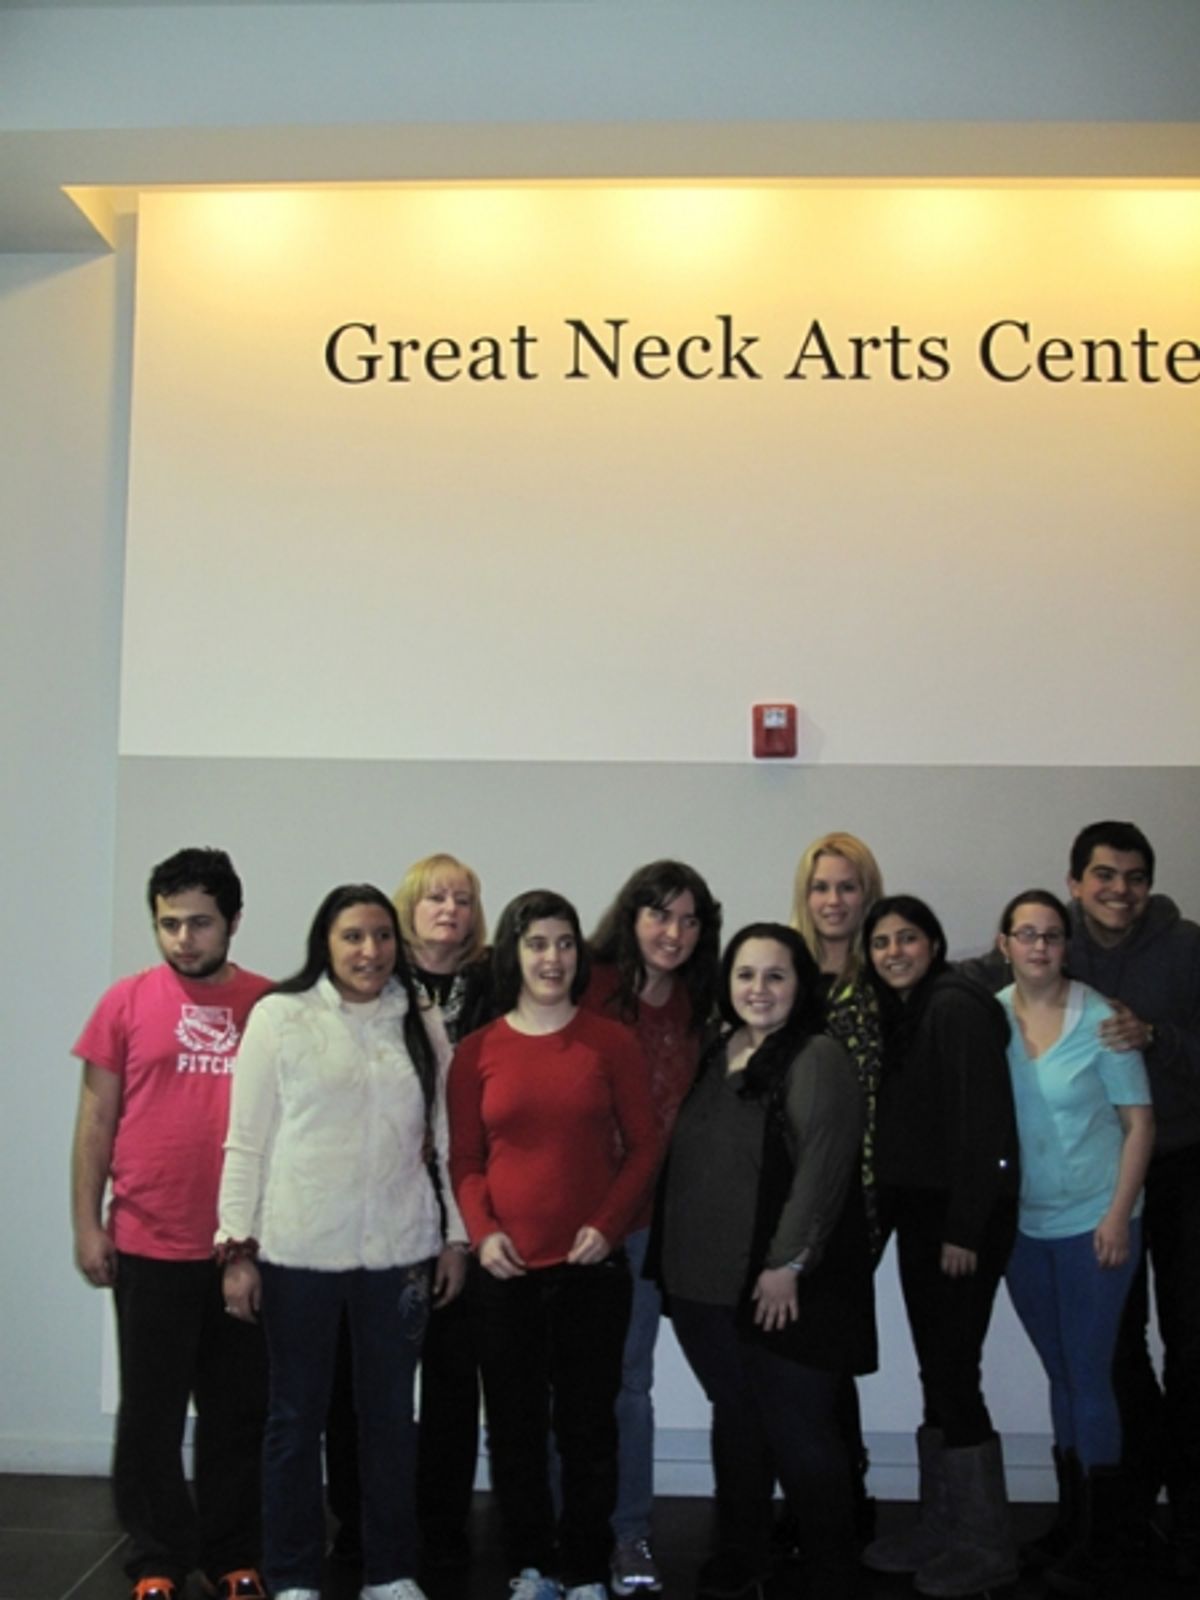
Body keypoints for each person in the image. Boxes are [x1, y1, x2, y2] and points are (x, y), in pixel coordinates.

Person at [218, 884, 467, 1600]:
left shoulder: (419, 1019)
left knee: (390, 1419)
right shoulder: (282, 1017)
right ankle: (293, 1574)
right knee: (295, 1419)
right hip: (299, 1254)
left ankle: (390, 1572)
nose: (370, 951)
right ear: (325, 942)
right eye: (354, 936)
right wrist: (236, 1249)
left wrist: (454, 1236)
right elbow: (246, 1142)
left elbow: (446, 1140)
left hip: (399, 1253)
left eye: (383, 936)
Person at [70, 847, 272, 1600]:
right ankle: (155, 1555)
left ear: (233, 921)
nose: (183, 938)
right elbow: (95, 1119)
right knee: (149, 1415)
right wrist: (86, 1225)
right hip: (146, 1240)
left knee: (237, 1412)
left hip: (242, 1248)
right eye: (168, 924)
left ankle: (233, 1554)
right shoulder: (123, 1003)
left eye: (199, 923)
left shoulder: (271, 1004)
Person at [448, 889, 661, 1600]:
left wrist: (607, 1224)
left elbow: (644, 1148)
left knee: (588, 1430)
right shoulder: (477, 1050)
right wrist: (482, 1234)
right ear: (514, 952)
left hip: (590, 1271)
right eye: (537, 943)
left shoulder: (611, 1042)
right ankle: (531, 1566)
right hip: (504, 1273)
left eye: (565, 942)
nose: (552, 957)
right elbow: (465, 1160)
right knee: (513, 1432)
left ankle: (583, 1569)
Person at [656, 922, 875, 1600]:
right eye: (746, 974)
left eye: (775, 976)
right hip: (703, 1289)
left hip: (784, 1286)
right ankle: (740, 1555)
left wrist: (788, 1265)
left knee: (802, 1434)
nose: (759, 989)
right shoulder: (717, 1050)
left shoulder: (815, 1056)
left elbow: (824, 1170)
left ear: (799, 985)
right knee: (739, 1419)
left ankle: (833, 1572)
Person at [323, 853, 493, 1571]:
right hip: (375, 1210)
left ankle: (442, 1528)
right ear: (405, 910)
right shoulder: (372, 983)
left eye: (461, 897)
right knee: (358, 1383)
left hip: (466, 1211)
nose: (448, 908)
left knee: (454, 1384)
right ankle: (358, 1523)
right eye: (433, 897)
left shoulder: (498, 986)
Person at [994, 888, 1154, 1596]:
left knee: (1090, 1376)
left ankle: (1103, 1540)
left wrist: (1119, 1216)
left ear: (1067, 946)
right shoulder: (987, 1016)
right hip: (1025, 1228)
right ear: (1004, 944)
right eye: (1025, 935)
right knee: (1061, 1373)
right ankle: (1071, 1522)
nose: (1038, 947)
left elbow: (1139, 1125)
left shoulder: (1102, 1021)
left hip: (1096, 1224)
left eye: (1051, 936)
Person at [861, 895, 1019, 1600]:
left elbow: (985, 1127)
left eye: (908, 938)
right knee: (938, 1368)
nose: (894, 951)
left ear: (934, 943)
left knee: (954, 1371)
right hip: (928, 1218)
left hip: (961, 1223)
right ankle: (941, 1526)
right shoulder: (906, 1013)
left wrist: (963, 1230)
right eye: (882, 941)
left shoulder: (952, 1007)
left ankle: (986, 1545)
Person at [1062, 822, 1200, 1579]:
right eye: (1105, 875)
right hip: (1097, 1185)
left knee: (1193, 1347)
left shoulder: (1187, 948)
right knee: (1113, 1348)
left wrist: (1157, 1037)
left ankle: (1189, 1512)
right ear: (1076, 880)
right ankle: (1129, 1499)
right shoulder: (1055, 945)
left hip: (1182, 1167)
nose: (1121, 889)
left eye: (1135, 876)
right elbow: (983, 978)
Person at [585, 859, 722, 1596]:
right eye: (661, 914)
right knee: (575, 1383)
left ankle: (628, 1534)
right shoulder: (591, 987)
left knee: (631, 1386)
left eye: (690, 919)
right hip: (585, 1217)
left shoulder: (703, 1001)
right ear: (632, 917)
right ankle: (566, 1532)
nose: (674, 932)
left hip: (661, 1226)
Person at [791, 832, 886, 1543]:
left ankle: (844, 1500)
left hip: (859, 1200)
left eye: (847, 887)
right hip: (786, 1198)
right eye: (821, 887)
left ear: (867, 895)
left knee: (833, 1356)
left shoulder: (887, 977)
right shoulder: (781, 974)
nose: (833, 901)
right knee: (789, 1358)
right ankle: (808, 1499)